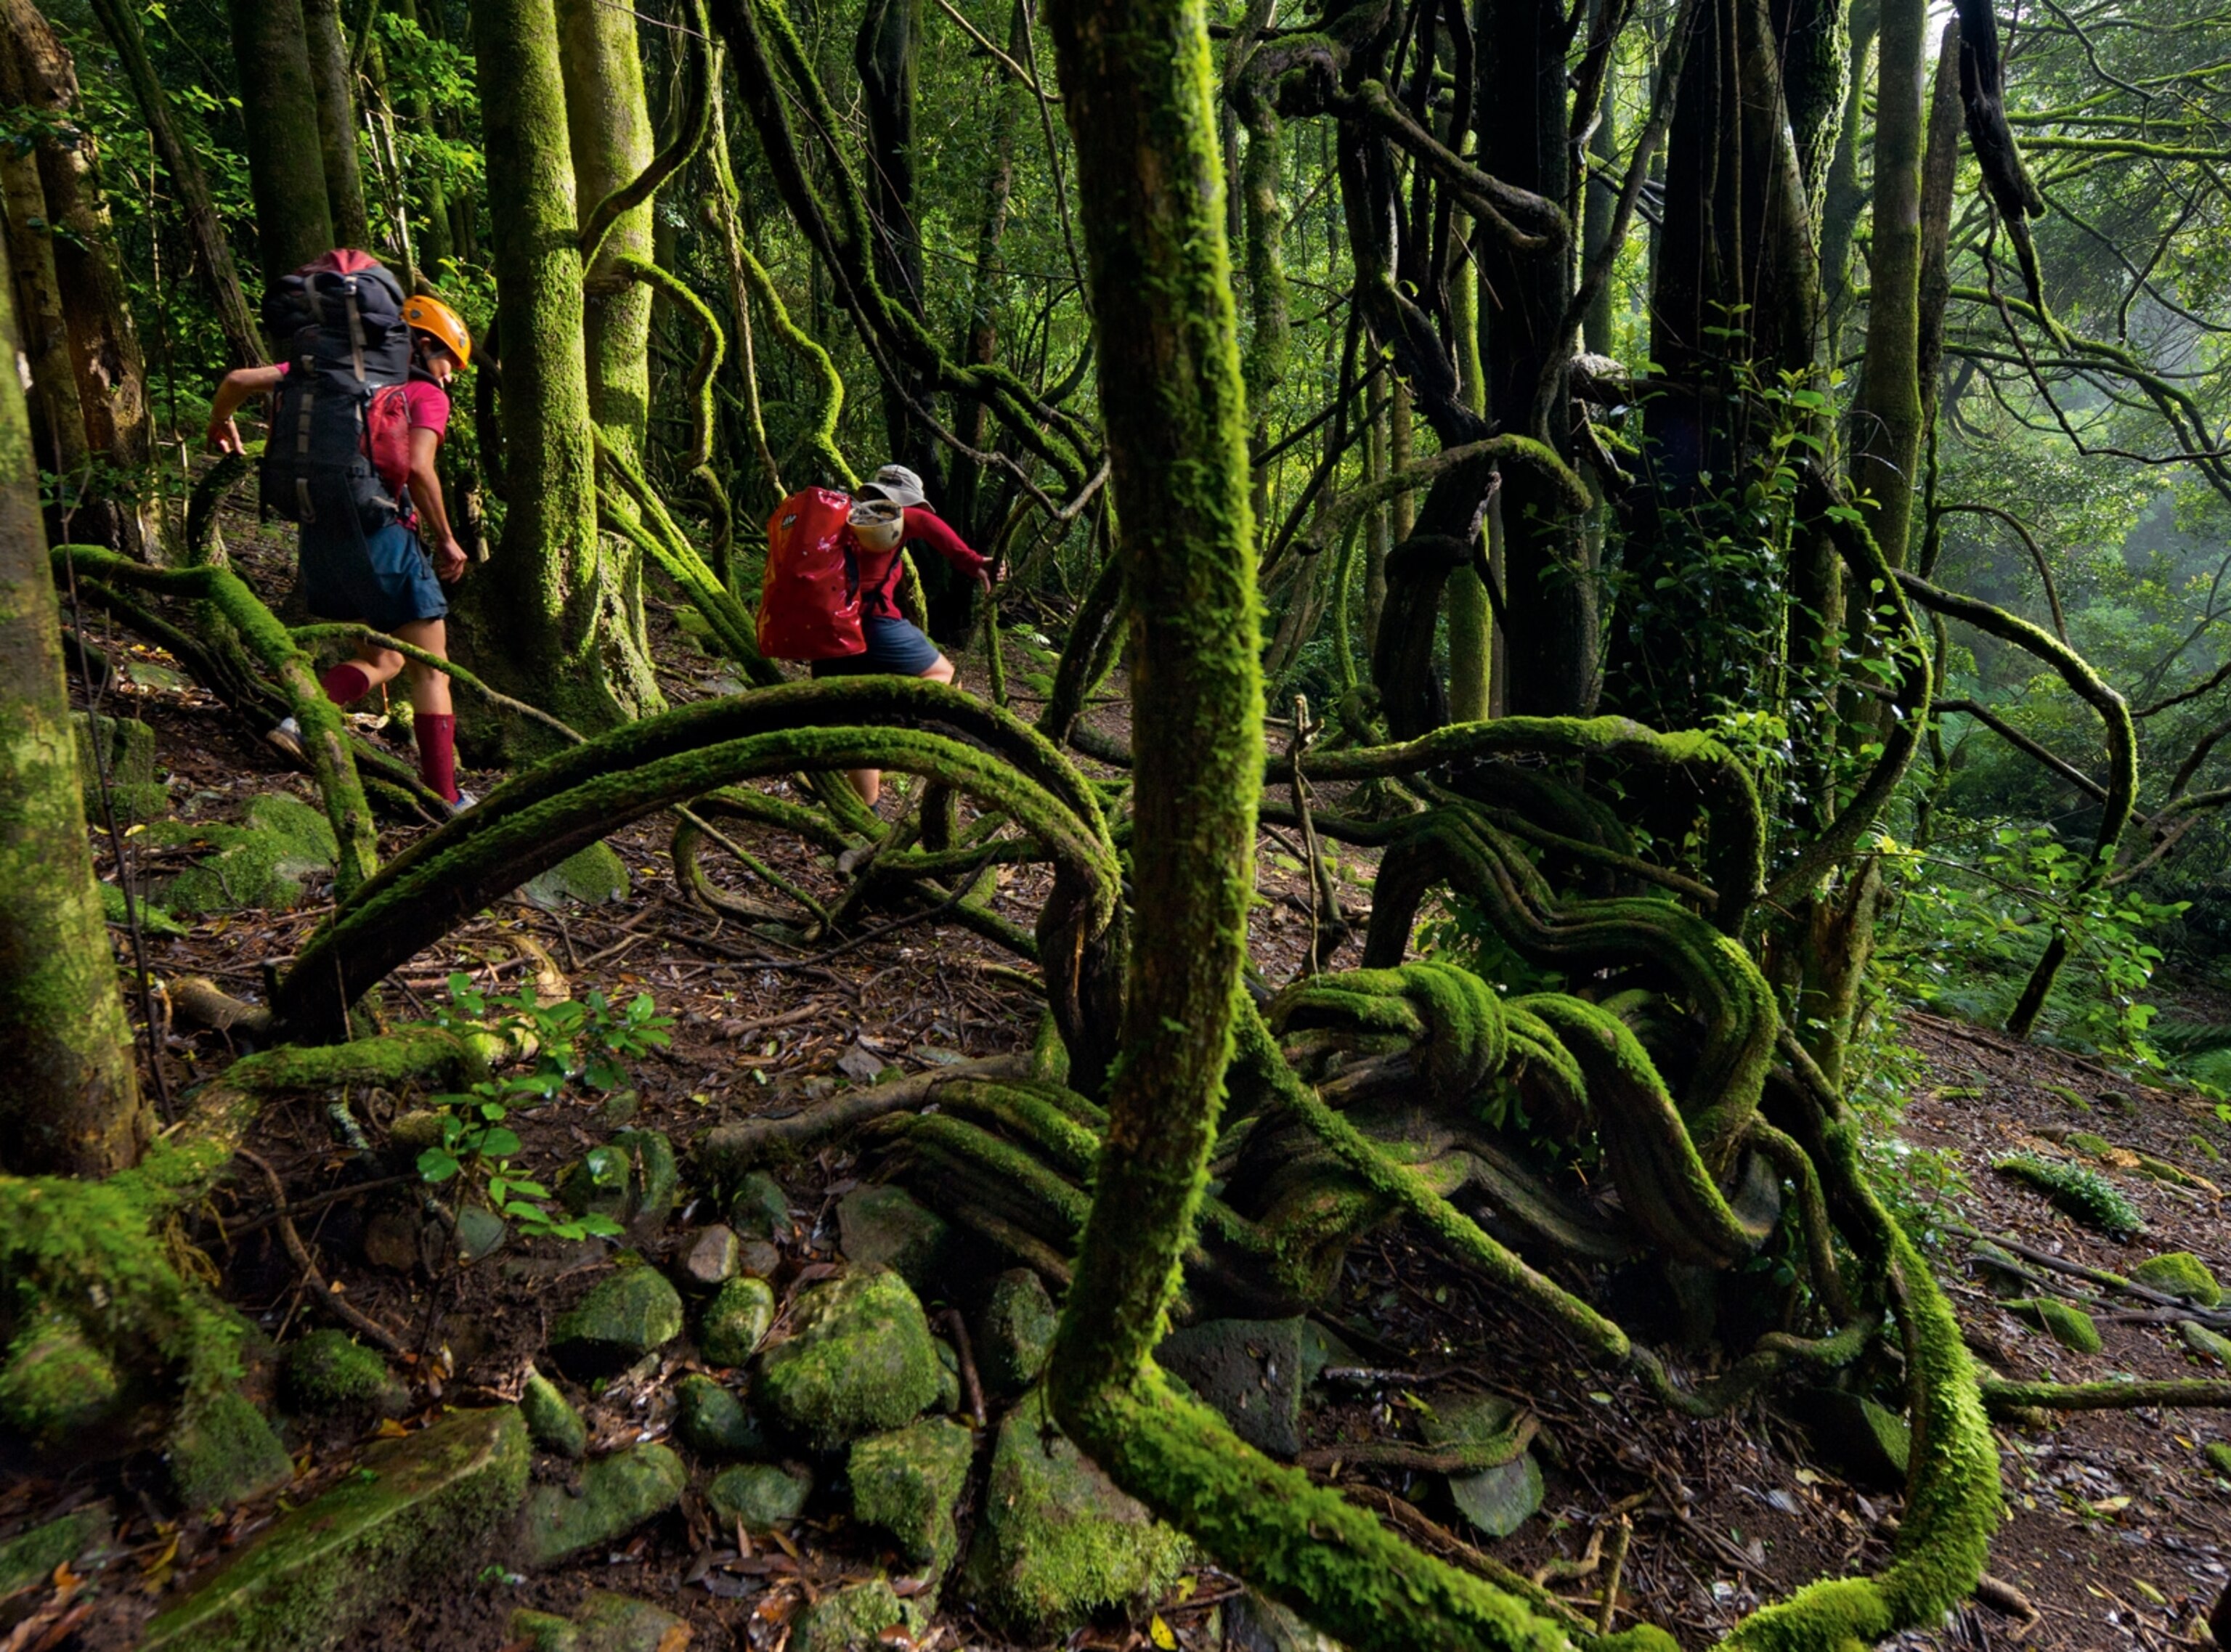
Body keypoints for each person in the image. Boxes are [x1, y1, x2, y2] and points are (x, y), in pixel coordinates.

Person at [206, 293, 476, 809]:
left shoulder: (327, 371)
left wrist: (220, 422)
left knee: (381, 658)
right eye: (449, 362)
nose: (451, 376)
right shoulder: (423, 393)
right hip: (384, 534)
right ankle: (445, 797)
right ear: (424, 345)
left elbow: (239, 381)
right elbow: (419, 469)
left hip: (321, 536)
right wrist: (445, 538)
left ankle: (300, 721)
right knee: (431, 670)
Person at [813, 463, 992, 806]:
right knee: (946, 678)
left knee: (856, 727)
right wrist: (975, 563)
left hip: (827, 635)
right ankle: (903, 740)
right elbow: (928, 524)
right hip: (873, 625)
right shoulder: (895, 515)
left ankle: (865, 817)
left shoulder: (839, 517)